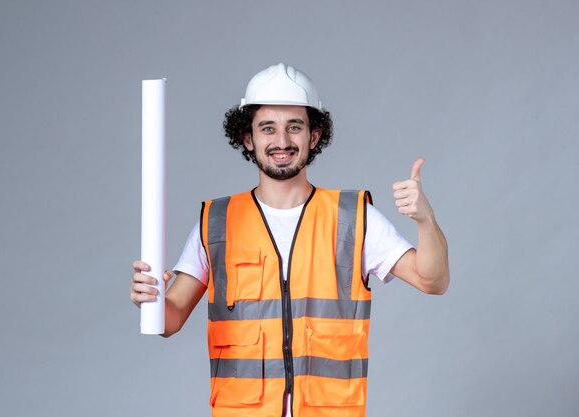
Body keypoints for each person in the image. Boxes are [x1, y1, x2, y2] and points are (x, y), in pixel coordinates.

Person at [130, 63, 449, 417]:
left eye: (294, 127)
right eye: (268, 128)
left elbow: (432, 281)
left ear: (313, 136)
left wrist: (425, 218)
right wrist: (151, 300)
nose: (281, 141)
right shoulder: (217, 222)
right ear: (248, 138)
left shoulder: (353, 217)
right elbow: (170, 320)